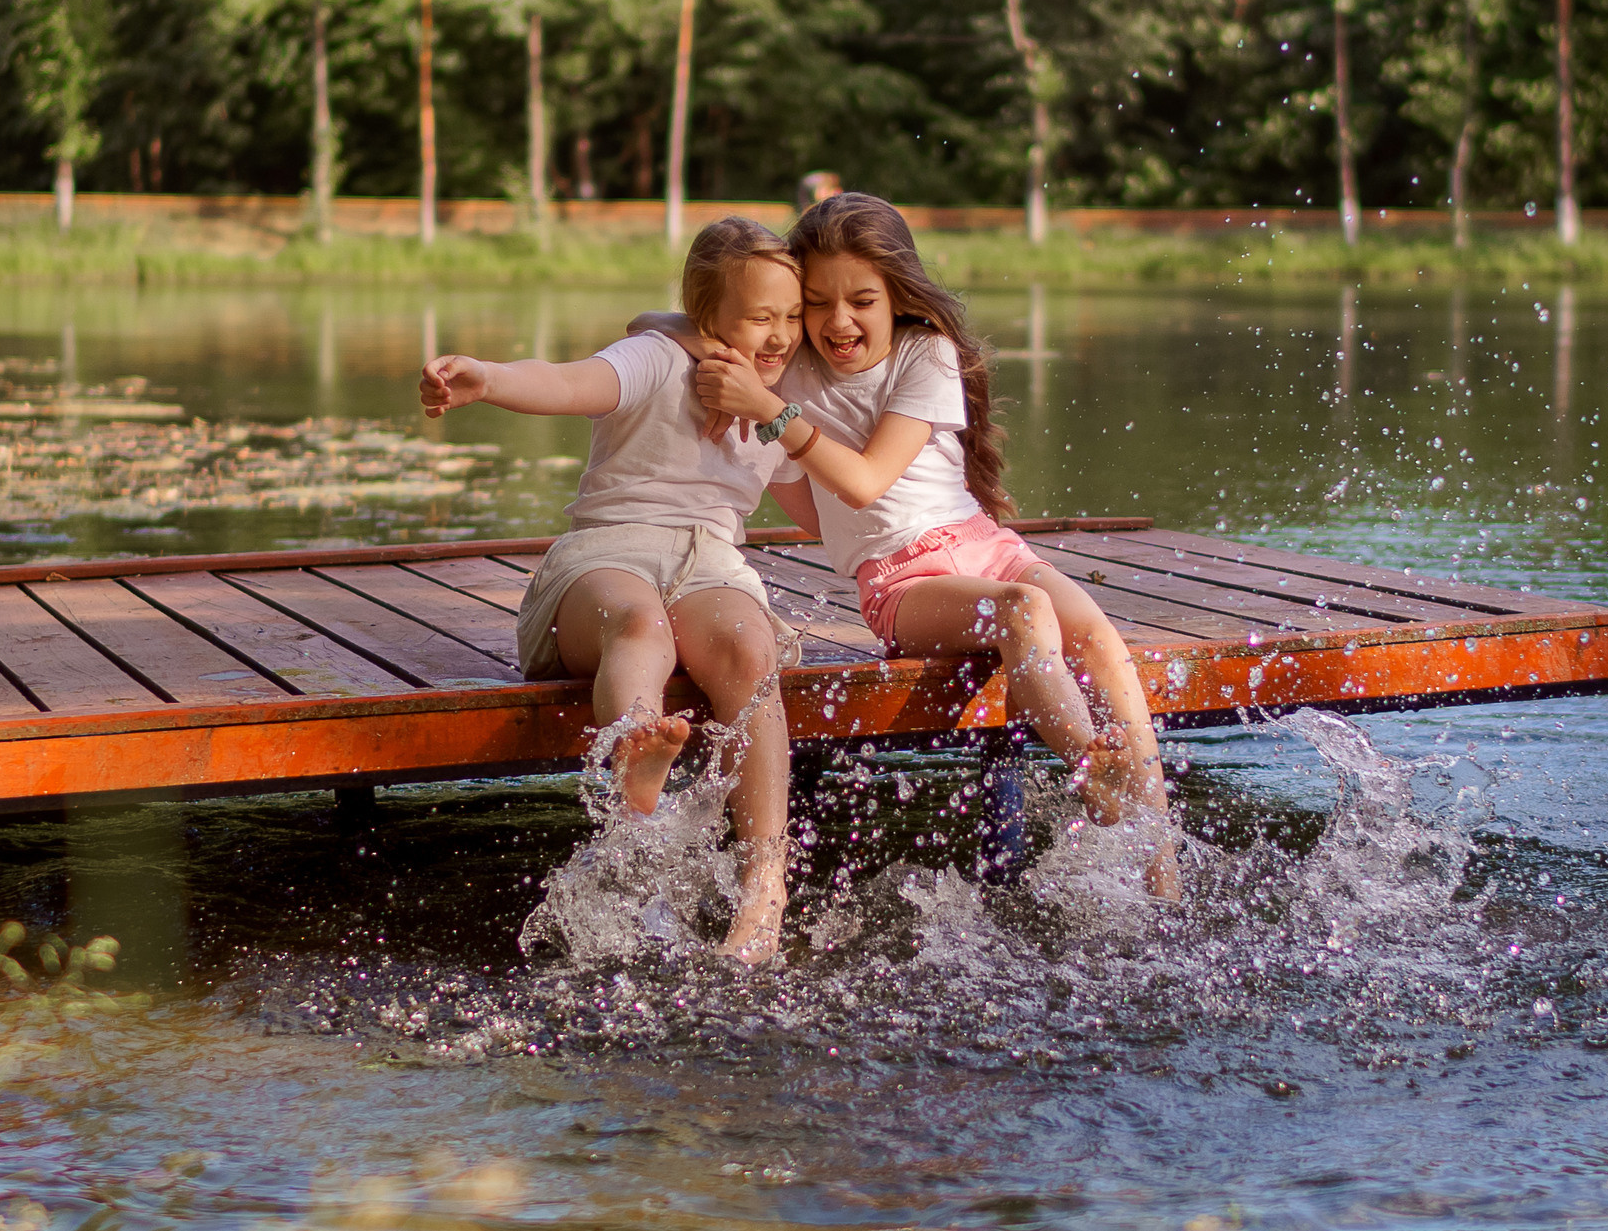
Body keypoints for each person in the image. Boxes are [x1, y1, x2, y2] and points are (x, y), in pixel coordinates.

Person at [646, 192, 1180, 897]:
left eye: (862, 300)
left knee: (1102, 642)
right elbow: (650, 322)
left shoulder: (925, 354)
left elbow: (865, 483)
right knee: (1022, 612)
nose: (838, 321)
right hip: (905, 584)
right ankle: (1091, 768)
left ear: (898, 295)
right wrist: (733, 368)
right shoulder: (793, 367)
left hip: (988, 549)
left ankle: (1160, 864)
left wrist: (771, 415)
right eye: (816, 302)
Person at [419, 218, 803, 963]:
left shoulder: (777, 401)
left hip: (711, 562)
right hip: (606, 554)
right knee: (639, 625)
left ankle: (766, 884)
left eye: (791, 316)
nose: (782, 334)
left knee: (752, 652)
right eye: (761, 317)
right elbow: (567, 381)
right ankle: (637, 762)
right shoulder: (657, 358)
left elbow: (840, 479)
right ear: (708, 319)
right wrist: (489, 377)